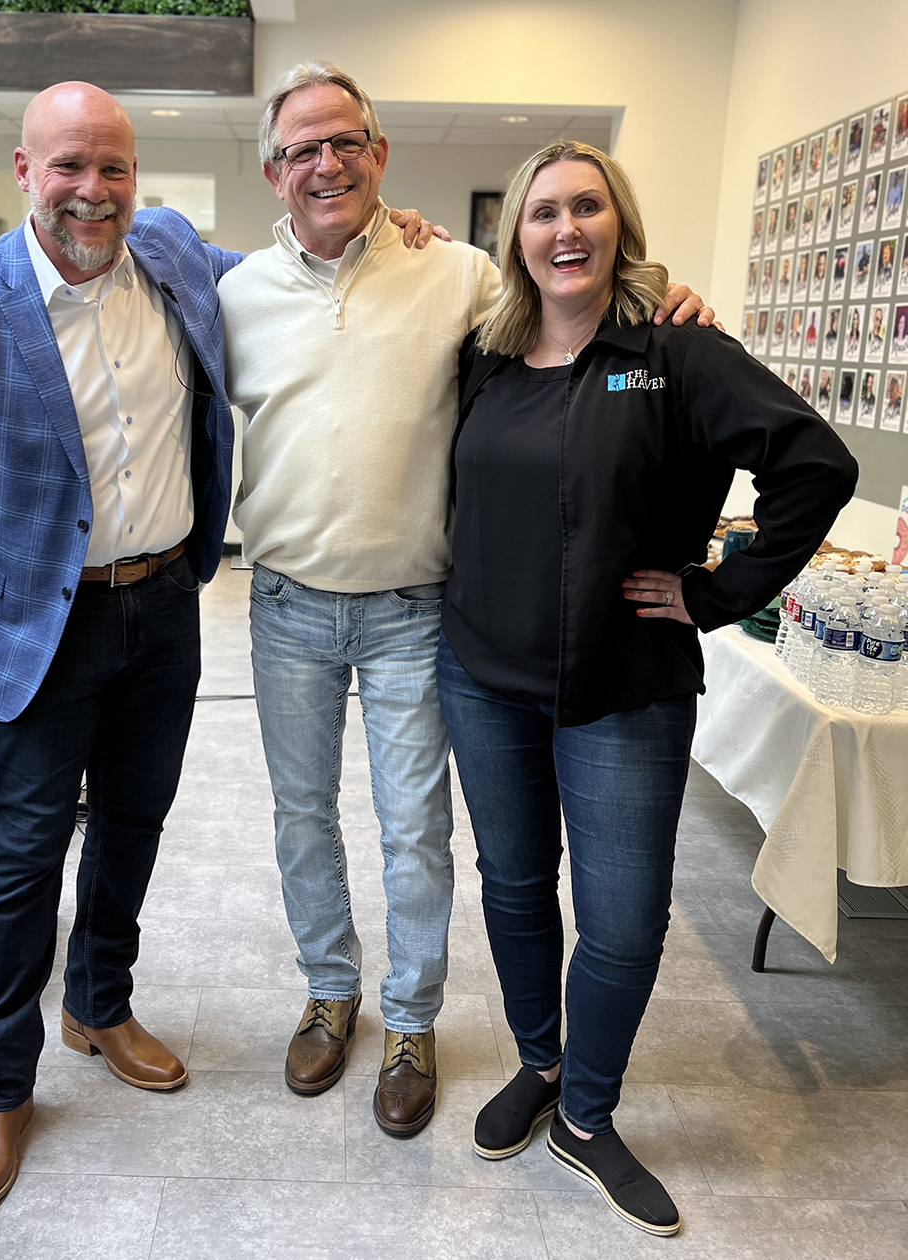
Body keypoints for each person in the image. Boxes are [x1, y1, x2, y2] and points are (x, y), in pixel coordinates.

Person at [217, 63, 713, 1141]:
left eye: (345, 140)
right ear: (273, 171)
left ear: (378, 154)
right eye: (302, 148)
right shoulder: (234, 293)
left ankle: (409, 1022)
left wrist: (658, 298)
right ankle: (330, 992)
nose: (326, 162)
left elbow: (567, 312)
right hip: (288, 605)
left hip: (416, 610)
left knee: (415, 830)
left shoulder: (459, 277)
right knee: (303, 818)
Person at [436, 141, 856, 1235]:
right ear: (514, 237)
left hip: (626, 686)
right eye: (543, 213)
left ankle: (586, 1113)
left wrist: (721, 590)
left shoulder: (673, 351)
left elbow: (815, 464)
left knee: (621, 921)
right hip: (485, 677)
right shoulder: (482, 353)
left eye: (587, 207)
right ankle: (539, 1063)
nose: (565, 230)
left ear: (619, 222)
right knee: (516, 886)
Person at [0, 81, 246, 1213]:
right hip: (37, 624)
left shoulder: (177, 252)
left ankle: (100, 1002)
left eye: (116, 168)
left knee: (135, 825)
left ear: (141, 177)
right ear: (26, 172)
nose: (95, 192)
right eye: (70, 168)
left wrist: (400, 233)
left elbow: (300, 269)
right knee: (25, 858)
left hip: (166, 608)